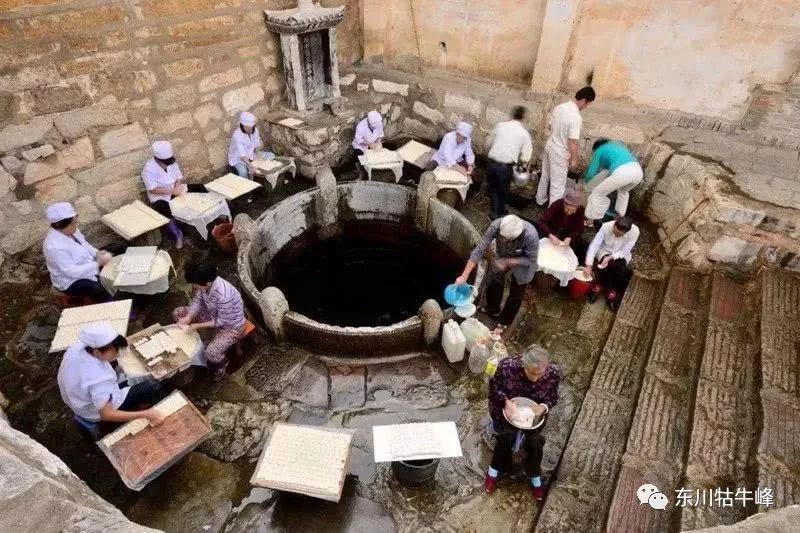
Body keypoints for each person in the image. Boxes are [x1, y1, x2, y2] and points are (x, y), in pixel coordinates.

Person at [57, 322, 167, 431]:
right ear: (96, 351)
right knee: (154, 385)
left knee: (120, 368)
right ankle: (135, 411)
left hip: (77, 399)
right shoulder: (99, 380)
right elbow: (107, 414)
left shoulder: (77, 348)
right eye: (114, 352)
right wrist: (146, 414)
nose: (118, 355)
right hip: (94, 412)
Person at [485, 345, 561, 501]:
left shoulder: (553, 373)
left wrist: (543, 407)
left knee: (534, 441)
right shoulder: (508, 367)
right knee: (506, 436)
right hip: (508, 409)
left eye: (540, 374)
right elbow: (494, 387)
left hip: (534, 413)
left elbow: (553, 397)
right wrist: (505, 401)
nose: (535, 378)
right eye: (532, 373)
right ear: (524, 366)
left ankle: (534, 475)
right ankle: (495, 470)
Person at [456, 214, 538, 328]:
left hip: (523, 263)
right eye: (501, 237)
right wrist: (464, 276)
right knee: (494, 280)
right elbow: (480, 249)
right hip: (502, 255)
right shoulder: (496, 225)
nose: (503, 240)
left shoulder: (531, 236)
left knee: (516, 293)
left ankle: (505, 321)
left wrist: (508, 262)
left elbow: (531, 260)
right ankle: (493, 308)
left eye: (507, 239)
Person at [173, 261, 246, 381]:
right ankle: (200, 339)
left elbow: (221, 321)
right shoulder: (205, 284)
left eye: (195, 284)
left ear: (207, 282)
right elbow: (198, 301)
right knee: (178, 313)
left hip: (231, 326)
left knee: (210, 353)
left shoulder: (224, 296)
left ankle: (223, 363)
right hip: (211, 314)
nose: (194, 287)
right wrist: (189, 317)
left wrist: (196, 326)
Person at [43, 202, 114, 303]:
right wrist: (98, 264)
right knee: (98, 288)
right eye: (73, 223)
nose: (76, 225)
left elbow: (85, 245)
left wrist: (97, 253)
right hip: (70, 280)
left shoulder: (71, 230)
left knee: (117, 247)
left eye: (75, 222)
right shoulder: (54, 247)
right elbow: (71, 272)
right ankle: (112, 305)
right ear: (60, 225)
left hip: (86, 264)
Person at [141, 140, 207, 248]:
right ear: (157, 159)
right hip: (160, 195)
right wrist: (172, 192)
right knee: (164, 208)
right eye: (165, 162)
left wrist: (177, 187)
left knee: (200, 187)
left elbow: (178, 177)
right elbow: (152, 189)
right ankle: (177, 234)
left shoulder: (172, 162)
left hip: (175, 189)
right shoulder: (148, 169)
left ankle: (206, 216)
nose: (168, 163)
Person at [537, 86, 595, 206]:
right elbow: (572, 141)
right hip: (560, 151)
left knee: (545, 175)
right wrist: (574, 159)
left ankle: (540, 199)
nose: (586, 107)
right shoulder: (576, 117)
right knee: (557, 185)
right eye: (588, 104)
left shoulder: (560, 107)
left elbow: (550, 126)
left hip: (550, 144)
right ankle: (552, 213)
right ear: (585, 100)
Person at [486, 106, 533, 220]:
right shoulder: (524, 133)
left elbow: (488, 142)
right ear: (523, 117)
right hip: (505, 167)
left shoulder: (500, 126)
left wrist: (488, 153)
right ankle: (499, 215)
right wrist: (523, 165)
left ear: (512, 115)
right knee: (502, 191)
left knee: (493, 189)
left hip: (491, 163)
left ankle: (493, 212)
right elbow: (527, 154)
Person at [584, 216, 639, 310]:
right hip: (604, 250)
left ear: (626, 232)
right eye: (615, 232)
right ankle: (598, 287)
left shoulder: (635, 232)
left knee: (620, 268)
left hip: (621, 253)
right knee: (604, 266)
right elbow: (594, 245)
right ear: (614, 225)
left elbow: (626, 250)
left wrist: (611, 257)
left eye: (619, 234)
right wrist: (588, 264)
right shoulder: (606, 227)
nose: (616, 235)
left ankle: (612, 292)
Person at [582, 139, 642, 222]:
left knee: (597, 194)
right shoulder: (619, 147)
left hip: (623, 172)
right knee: (623, 191)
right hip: (638, 172)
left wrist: (585, 182)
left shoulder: (599, 150)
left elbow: (592, 171)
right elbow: (607, 170)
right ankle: (620, 217)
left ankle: (590, 220)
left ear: (596, 148)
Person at [537, 188, 588, 262]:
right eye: (567, 209)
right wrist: (550, 235)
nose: (569, 212)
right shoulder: (557, 204)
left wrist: (570, 238)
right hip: (551, 231)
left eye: (573, 210)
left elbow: (579, 230)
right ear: (564, 204)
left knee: (564, 258)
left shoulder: (580, 210)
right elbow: (542, 222)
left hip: (566, 236)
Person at [228, 111, 263, 178]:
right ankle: (243, 187)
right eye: (247, 127)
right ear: (242, 126)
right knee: (243, 172)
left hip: (250, 155)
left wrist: (257, 154)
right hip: (238, 159)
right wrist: (250, 165)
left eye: (251, 127)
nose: (249, 129)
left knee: (265, 161)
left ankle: (253, 184)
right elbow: (242, 156)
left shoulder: (255, 131)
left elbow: (257, 145)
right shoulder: (237, 135)